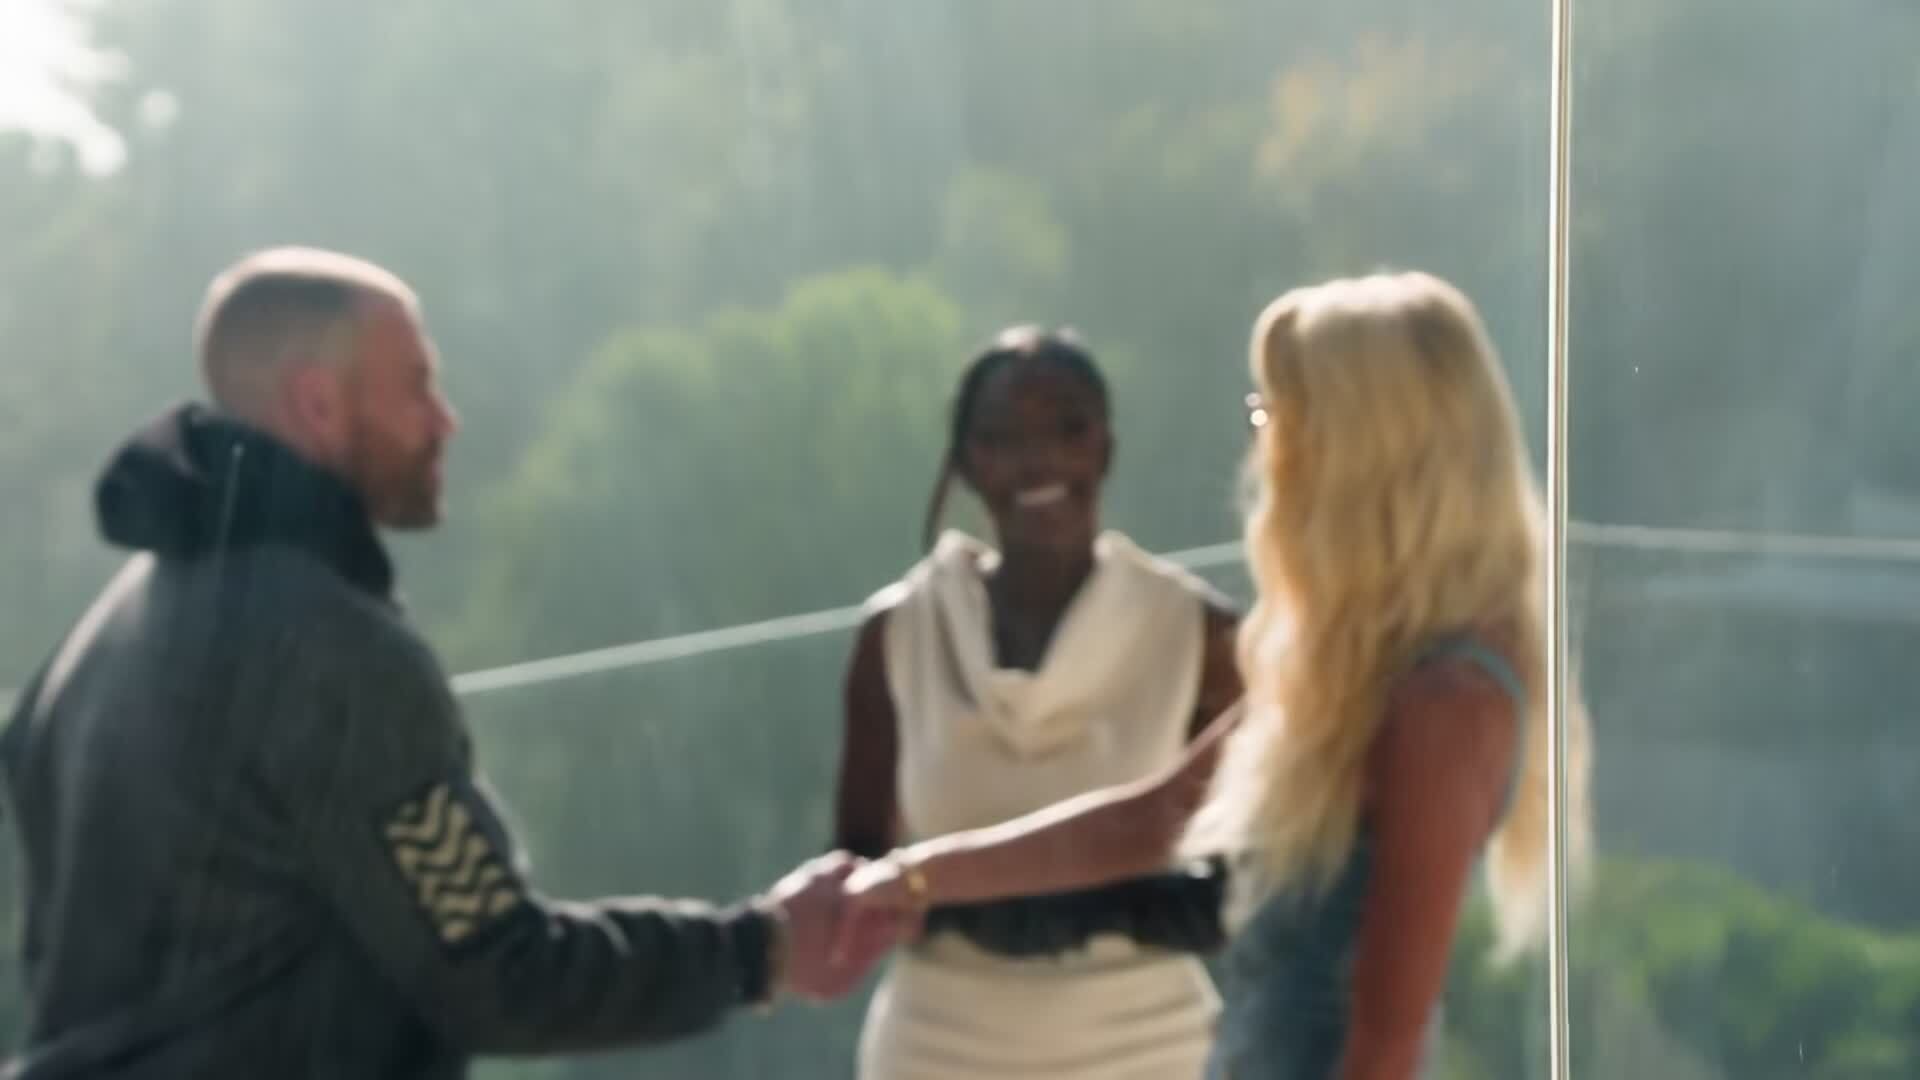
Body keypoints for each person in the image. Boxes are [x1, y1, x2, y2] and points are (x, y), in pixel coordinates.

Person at [0, 247, 893, 1080]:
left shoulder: (91, 647)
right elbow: (502, 972)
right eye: (417, 385)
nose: (445, 419)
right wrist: (761, 949)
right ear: (318, 404)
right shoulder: (336, 657)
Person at [838, 273, 1594, 1080]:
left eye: (1275, 417)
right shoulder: (1350, 671)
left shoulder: (1445, 705)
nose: (1262, 450)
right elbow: (1157, 816)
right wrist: (907, 879)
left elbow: (1387, 1043)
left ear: (1358, 450)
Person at [831, 325, 1244, 1080]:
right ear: (966, 463)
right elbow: (856, 868)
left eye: (1068, 429)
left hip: (1150, 1043)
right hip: (937, 1044)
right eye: (1002, 438)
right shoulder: (899, 633)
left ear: (1106, 448)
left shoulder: (1200, 633)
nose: (1038, 459)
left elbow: (1252, 873)